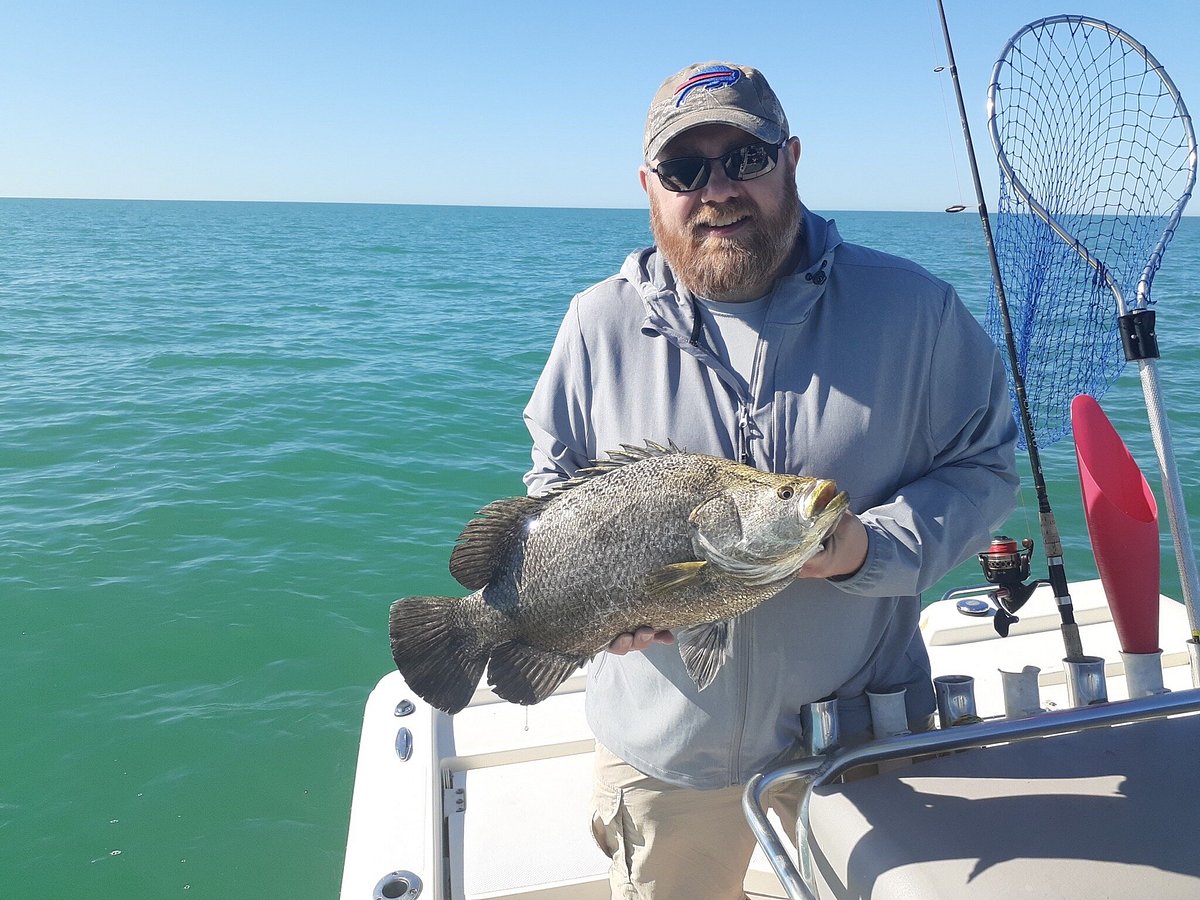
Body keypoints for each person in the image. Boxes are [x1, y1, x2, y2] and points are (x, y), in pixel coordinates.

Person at [522, 61, 1019, 899]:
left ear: (790, 159)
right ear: (650, 186)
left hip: (855, 743)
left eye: (743, 158)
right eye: (685, 170)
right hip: (663, 753)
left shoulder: (915, 310)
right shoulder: (596, 322)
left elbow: (985, 467)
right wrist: (583, 602)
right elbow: (554, 488)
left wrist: (872, 546)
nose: (716, 190)